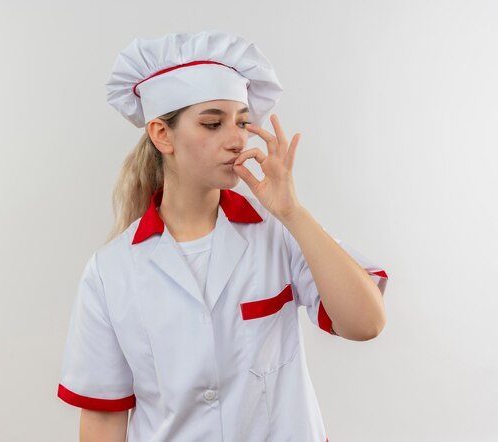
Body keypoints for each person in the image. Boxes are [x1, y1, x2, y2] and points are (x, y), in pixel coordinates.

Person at [57, 30, 389, 442]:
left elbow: (366, 322)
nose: (237, 139)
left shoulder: (279, 236)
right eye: (213, 123)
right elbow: (104, 417)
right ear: (162, 135)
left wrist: (292, 213)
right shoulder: (110, 271)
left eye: (243, 122)